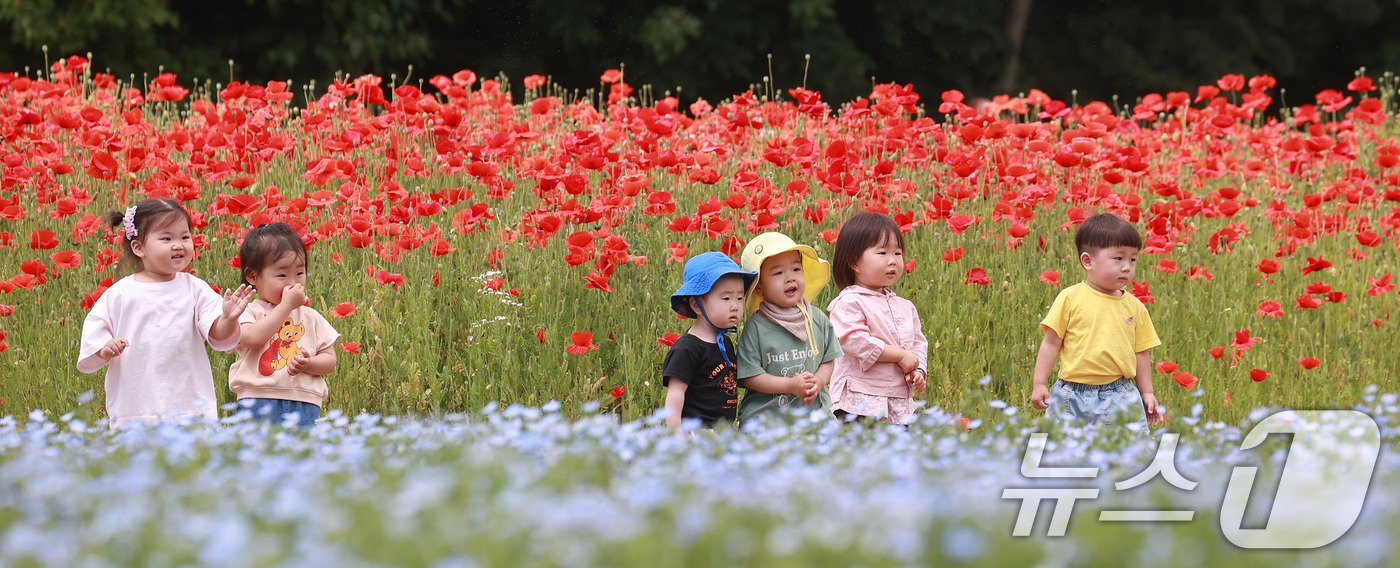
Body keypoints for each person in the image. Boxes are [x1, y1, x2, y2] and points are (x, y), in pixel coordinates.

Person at [77, 198, 254, 427]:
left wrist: (228, 318)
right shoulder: (120, 294)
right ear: (138, 247)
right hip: (137, 406)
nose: (178, 245)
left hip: (188, 404)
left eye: (184, 237)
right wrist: (104, 348)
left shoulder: (195, 289)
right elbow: (95, 333)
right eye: (167, 238)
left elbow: (219, 335)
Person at [1030, 213, 1163, 430]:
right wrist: (1039, 383)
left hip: (1119, 394)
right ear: (1088, 261)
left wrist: (1147, 392)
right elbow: (1051, 343)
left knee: (1124, 453)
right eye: (1118, 258)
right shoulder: (1070, 298)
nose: (1127, 267)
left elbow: (1141, 353)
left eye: (1133, 259)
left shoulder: (1135, 307)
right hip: (1071, 395)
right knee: (1066, 454)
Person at [228, 223, 339, 428]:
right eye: (282, 275)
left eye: (299, 273)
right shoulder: (248, 311)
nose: (293, 282)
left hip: (305, 402)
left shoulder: (312, 317)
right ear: (252, 276)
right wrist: (287, 306)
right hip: (257, 399)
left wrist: (310, 364)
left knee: (302, 457)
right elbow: (253, 338)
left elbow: (330, 360)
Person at [826, 213, 928, 424]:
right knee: (863, 452)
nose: (892, 260)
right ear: (854, 262)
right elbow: (854, 339)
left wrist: (917, 369)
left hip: (898, 401)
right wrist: (899, 356)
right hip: (859, 398)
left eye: (898, 253)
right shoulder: (848, 302)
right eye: (882, 252)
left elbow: (918, 342)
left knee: (896, 453)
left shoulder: (905, 306)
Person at [735, 232, 843, 425]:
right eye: (778, 273)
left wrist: (818, 381)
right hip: (769, 417)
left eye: (796, 268)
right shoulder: (757, 327)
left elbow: (828, 360)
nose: (790, 278)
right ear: (758, 286)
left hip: (814, 414)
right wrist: (790, 385)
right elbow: (750, 376)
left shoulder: (816, 318)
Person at [661, 252, 755, 430]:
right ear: (696, 305)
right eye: (726, 298)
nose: (735, 305)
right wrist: (676, 434)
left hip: (723, 432)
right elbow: (676, 392)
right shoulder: (687, 348)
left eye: (740, 298)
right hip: (696, 433)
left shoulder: (725, 343)